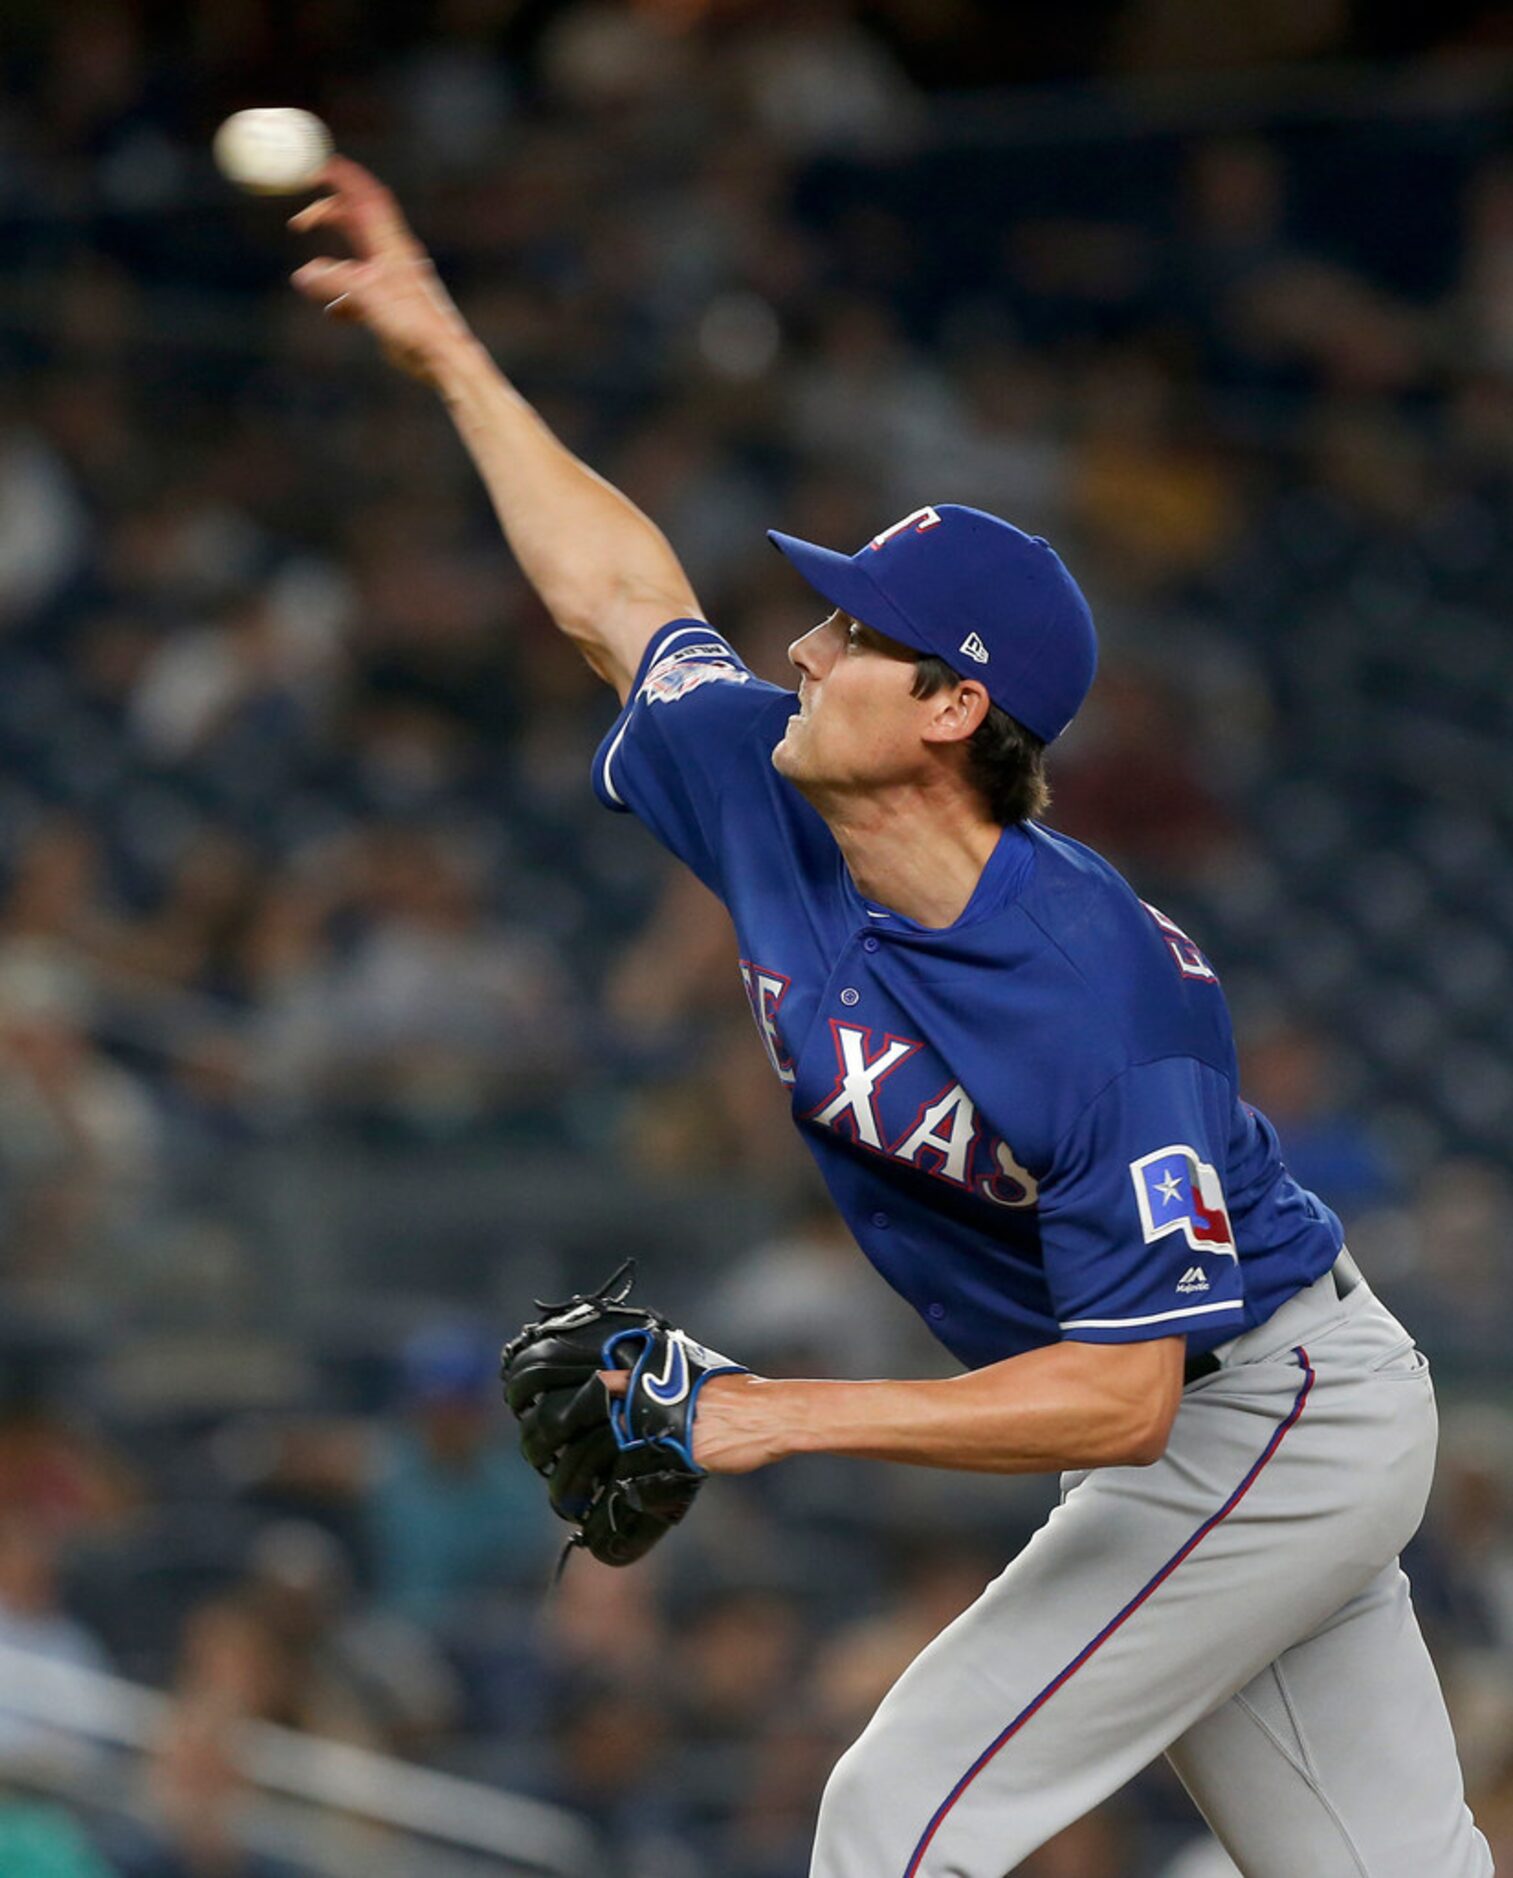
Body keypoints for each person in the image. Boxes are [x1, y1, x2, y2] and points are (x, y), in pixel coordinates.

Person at [287, 158, 1489, 1877]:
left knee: (893, 1814)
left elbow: (1125, 1401)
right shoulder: (768, 798)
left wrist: (767, 1410)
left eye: (852, 631)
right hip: (1221, 1416)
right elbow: (616, 600)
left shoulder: (1096, 985)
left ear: (949, 703)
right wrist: (452, 359)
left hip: (1262, 1401)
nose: (800, 644)